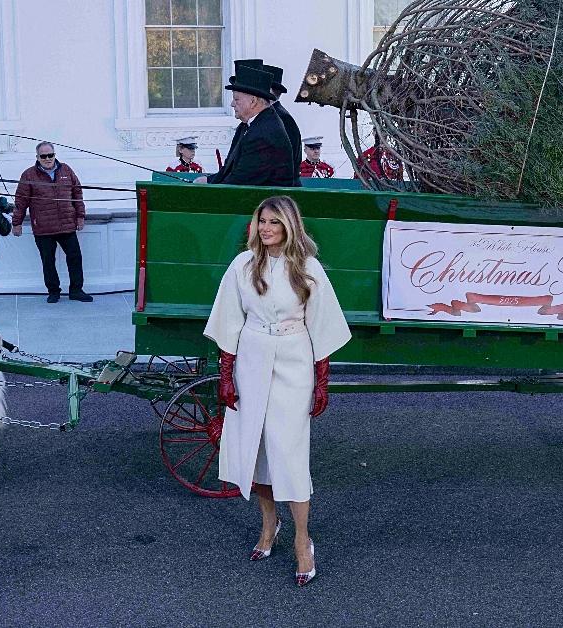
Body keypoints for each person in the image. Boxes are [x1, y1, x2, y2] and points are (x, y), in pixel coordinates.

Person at [203, 196, 351, 587]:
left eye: (274, 222)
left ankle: (303, 539)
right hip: (251, 359)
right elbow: (228, 322)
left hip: (293, 360)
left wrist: (321, 382)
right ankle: (269, 524)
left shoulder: (308, 268)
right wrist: (226, 376)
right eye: (262, 221)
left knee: (290, 451)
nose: (266, 228)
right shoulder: (242, 266)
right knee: (257, 448)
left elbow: (323, 326)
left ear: (289, 226)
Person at [13, 142, 93, 303]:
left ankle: (76, 290)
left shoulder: (66, 170)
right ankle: (53, 291)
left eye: (50, 155)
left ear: (55, 155)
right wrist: (17, 223)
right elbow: (21, 201)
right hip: (43, 228)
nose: (48, 159)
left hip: (67, 225)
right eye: (43, 156)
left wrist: (80, 216)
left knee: (75, 257)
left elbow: (77, 193)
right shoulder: (28, 175)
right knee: (48, 261)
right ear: (37, 157)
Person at [196, 60, 295, 187]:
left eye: (236, 99)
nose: (232, 104)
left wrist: (210, 188)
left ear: (253, 101)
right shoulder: (249, 125)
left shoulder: (263, 134)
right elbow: (229, 170)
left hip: (266, 198)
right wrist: (208, 181)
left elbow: (239, 181)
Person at [263, 63, 303, 186]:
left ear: (269, 91)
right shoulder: (273, 115)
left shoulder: (282, 118)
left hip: (283, 189)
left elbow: (284, 160)